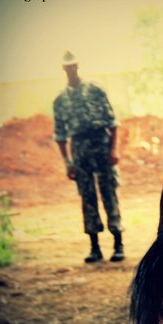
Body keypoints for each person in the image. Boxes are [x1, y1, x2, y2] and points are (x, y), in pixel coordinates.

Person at [53, 51, 124, 263]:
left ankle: (118, 244)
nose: (71, 70)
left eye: (73, 66)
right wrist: (68, 162)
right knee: (87, 197)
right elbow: (60, 135)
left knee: (109, 193)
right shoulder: (60, 100)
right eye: (67, 67)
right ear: (63, 69)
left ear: (78, 66)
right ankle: (95, 248)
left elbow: (113, 123)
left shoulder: (95, 90)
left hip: (101, 145)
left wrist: (113, 149)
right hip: (79, 149)